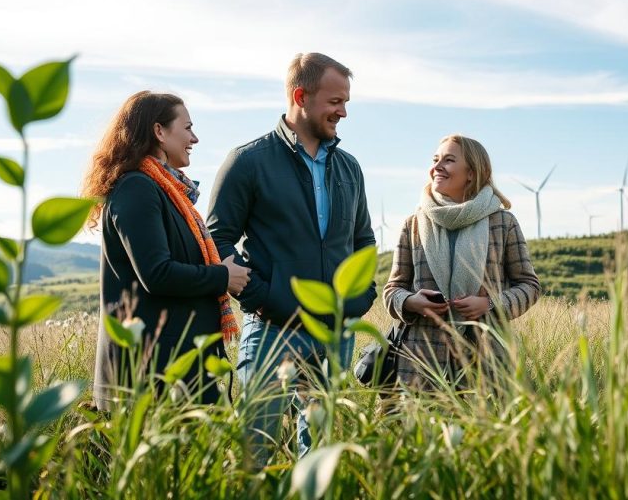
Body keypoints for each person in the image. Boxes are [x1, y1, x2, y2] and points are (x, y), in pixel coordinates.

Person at [206, 52, 376, 461]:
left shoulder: (350, 168)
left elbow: (364, 241)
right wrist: (265, 297)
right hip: (269, 330)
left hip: (334, 334)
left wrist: (358, 301)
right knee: (254, 452)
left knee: (322, 454)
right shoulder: (247, 161)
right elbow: (217, 240)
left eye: (346, 101)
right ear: (301, 95)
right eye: (336, 101)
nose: (344, 112)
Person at [84, 91, 251, 410]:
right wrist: (223, 277)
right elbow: (157, 274)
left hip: (177, 372)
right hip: (150, 378)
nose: (195, 138)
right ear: (159, 131)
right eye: (187, 127)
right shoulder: (137, 189)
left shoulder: (166, 192)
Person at [382, 134, 541, 390]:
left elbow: (529, 286)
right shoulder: (413, 224)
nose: (437, 167)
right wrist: (411, 302)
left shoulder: (503, 223)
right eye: (435, 160)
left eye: (449, 160)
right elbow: (392, 290)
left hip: (486, 363)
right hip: (419, 364)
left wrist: (490, 304)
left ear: (471, 173)